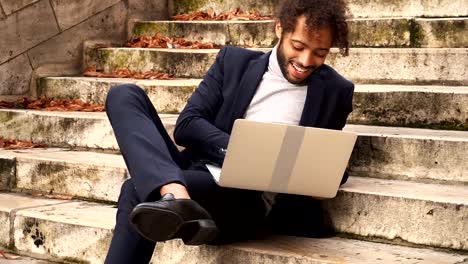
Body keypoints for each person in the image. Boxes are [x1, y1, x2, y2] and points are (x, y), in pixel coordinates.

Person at [104, 0, 353, 263]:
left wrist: (317, 177)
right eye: (298, 46)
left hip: (241, 201)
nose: (305, 61)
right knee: (124, 96)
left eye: (320, 53)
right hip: (197, 172)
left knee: (135, 189)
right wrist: (241, 151)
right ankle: (176, 193)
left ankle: (174, 197)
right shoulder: (233, 62)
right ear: (280, 29)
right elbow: (188, 125)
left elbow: (329, 157)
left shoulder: (335, 91)